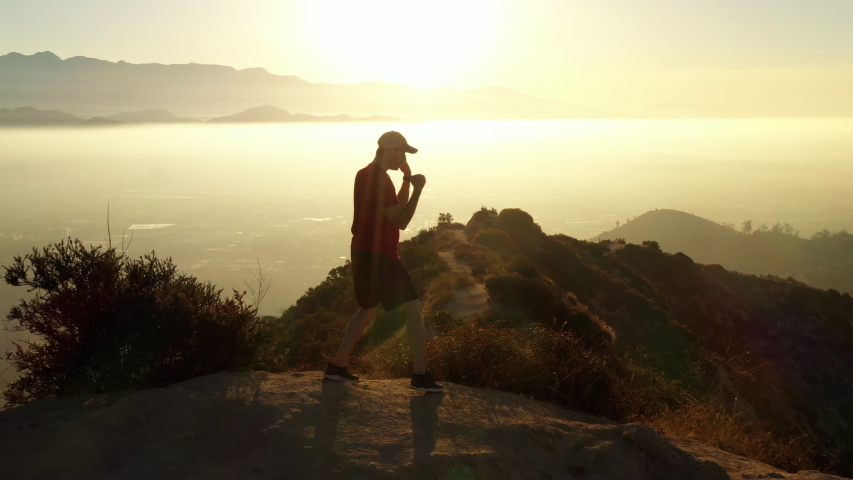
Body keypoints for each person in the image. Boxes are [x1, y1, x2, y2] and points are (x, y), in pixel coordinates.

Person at [323, 131, 444, 392]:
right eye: (402, 153)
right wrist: (419, 190)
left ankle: (337, 366)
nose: (403, 158)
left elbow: (392, 208)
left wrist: (407, 181)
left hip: (361, 252)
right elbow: (401, 220)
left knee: (367, 310)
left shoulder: (365, 174)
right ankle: (420, 375)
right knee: (414, 309)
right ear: (391, 151)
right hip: (382, 255)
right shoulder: (380, 180)